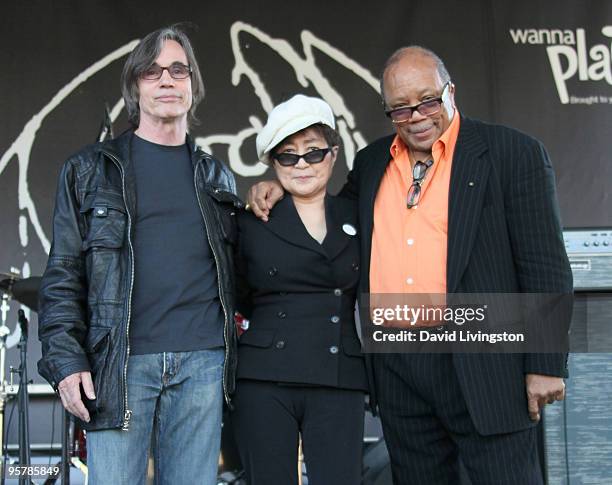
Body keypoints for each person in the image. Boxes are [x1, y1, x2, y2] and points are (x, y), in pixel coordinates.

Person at [247, 47, 573, 484]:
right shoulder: (372, 161)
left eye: (428, 100)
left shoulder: (512, 153)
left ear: (450, 92)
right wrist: (278, 188)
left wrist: (546, 362)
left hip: (484, 357)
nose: (416, 115)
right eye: (401, 107)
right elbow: (328, 217)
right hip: (398, 365)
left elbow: (544, 263)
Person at [37, 25, 241, 484]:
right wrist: (67, 364)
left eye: (177, 70)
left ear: (193, 85)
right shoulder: (89, 170)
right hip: (121, 365)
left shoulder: (217, 177)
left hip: (202, 366)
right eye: (152, 72)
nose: (166, 80)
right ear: (135, 87)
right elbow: (63, 275)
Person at [231, 94, 368, 484]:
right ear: (273, 164)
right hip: (265, 377)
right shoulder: (251, 220)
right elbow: (238, 291)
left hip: (339, 373)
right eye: (288, 156)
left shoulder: (359, 213)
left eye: (313, 152)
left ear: (334, 154)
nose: (302, 164)